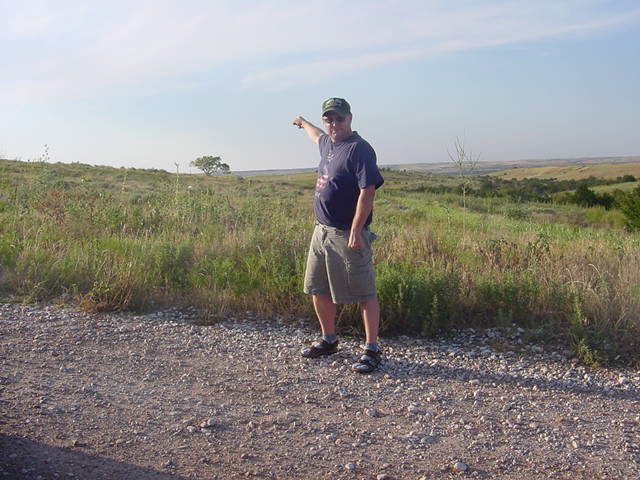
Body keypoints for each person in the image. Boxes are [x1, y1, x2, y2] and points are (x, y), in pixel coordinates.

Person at [292, 97, 384, 374]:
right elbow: (316, 135)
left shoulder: (360, 149)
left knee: (364, 291)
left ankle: (371, 349)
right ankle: (329, 340)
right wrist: (303, 122)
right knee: (317, 288)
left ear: (350, 118)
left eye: (339, 119)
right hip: (321, 231)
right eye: (329, 119)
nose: (334, 124)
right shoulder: (328, 143)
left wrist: (356, 231)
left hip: (346, 233)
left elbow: (367, 192)